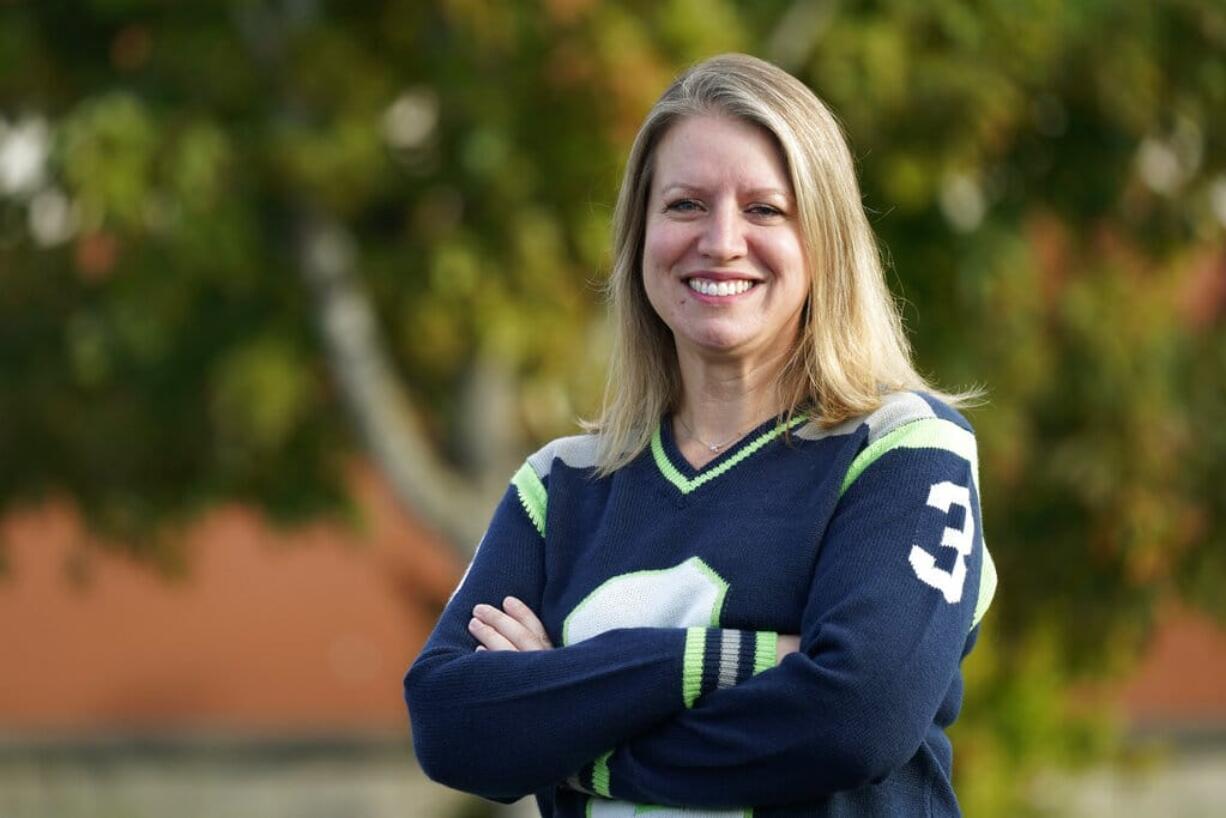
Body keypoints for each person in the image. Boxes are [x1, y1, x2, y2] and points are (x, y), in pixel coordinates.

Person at [404, 52, 997, 817]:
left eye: (764, 209)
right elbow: (451, 724)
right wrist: (735, 663)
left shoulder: (904, 451)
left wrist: (572, 719)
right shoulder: (562, 485)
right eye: (685, 204)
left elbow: (856, 717)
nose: (720, 241)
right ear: (639, 235)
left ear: (825, 241)